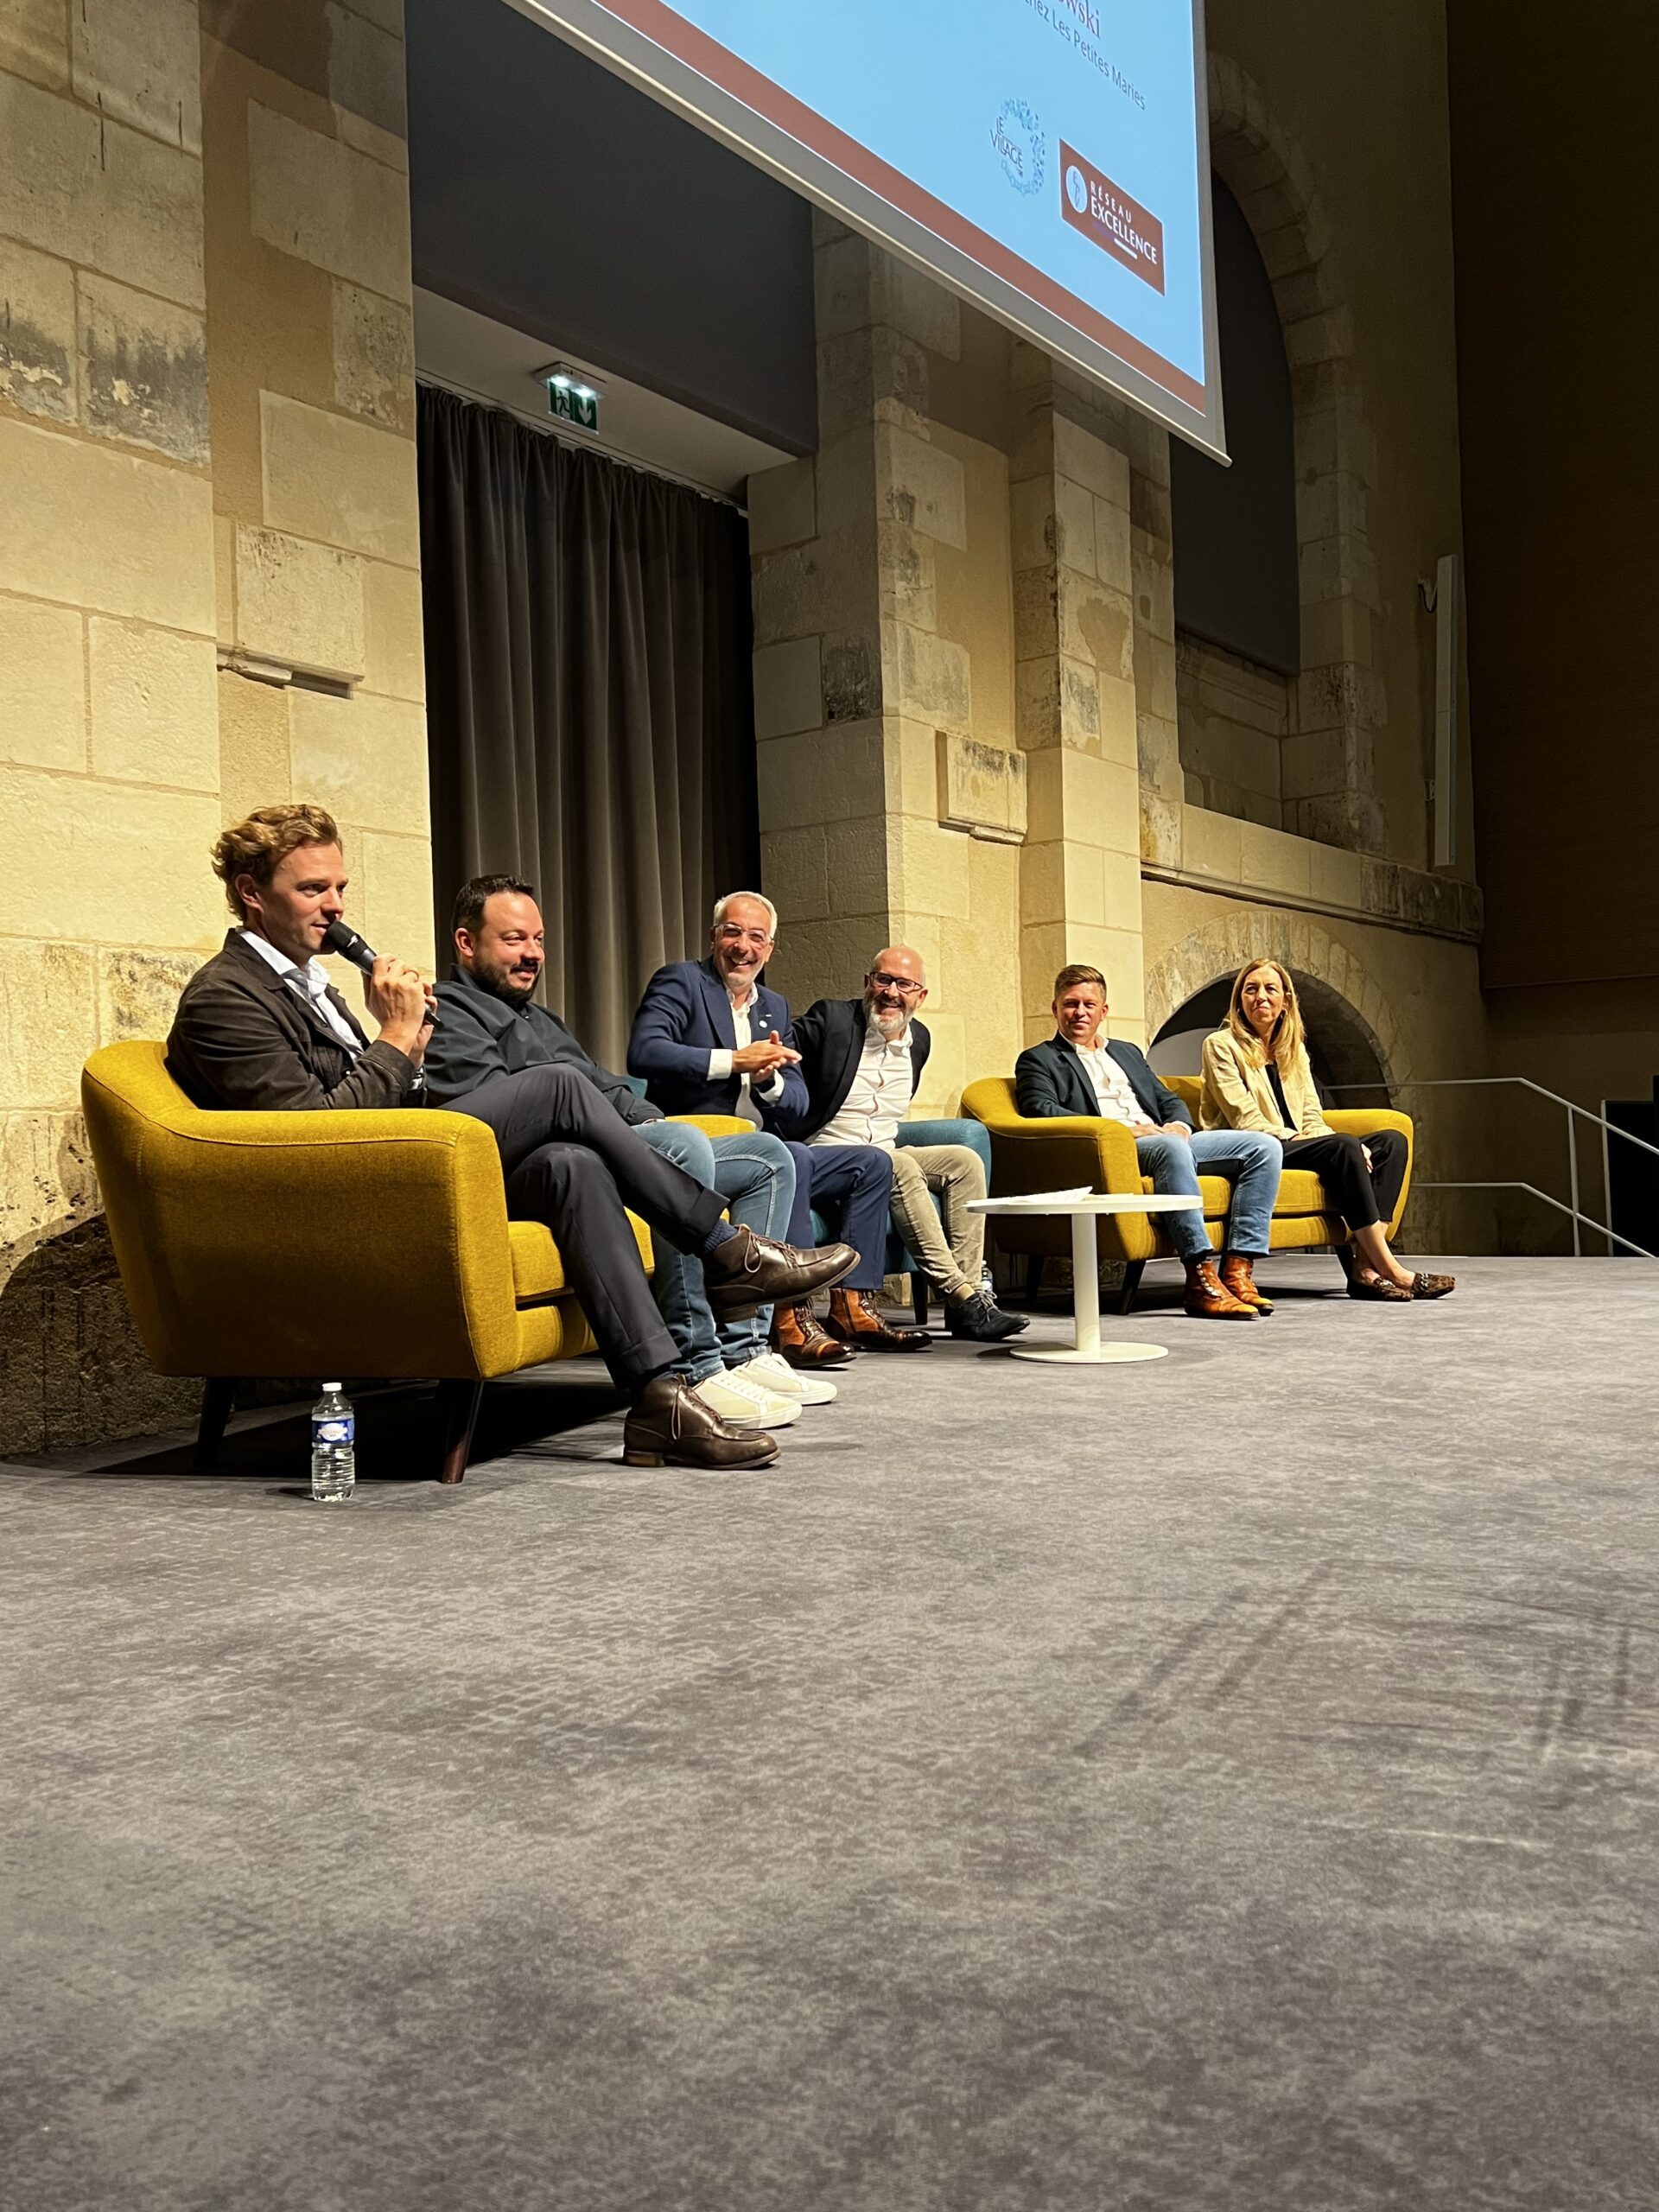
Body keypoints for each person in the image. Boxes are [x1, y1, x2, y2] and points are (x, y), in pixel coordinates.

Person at [165, 806, 856, 1472]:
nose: (336, 906)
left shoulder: (311, 985)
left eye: (340, 887)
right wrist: (397, 1037)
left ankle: (658, 1400)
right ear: (251, 893)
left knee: (571, 1164)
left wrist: (408, 1051)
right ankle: (729, 1251)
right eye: (313, 889)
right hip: (356, 1191)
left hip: (405, 1162)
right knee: (557, 1086)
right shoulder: (226, 996)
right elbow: (315, 1140)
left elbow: (380, 1098)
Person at [422, 873, 835, 1428]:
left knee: (768, 1157)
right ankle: (697, 1360)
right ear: (466, 943)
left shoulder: (541, 1019)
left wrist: (647, 1120)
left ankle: (745, 1349)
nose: (533, 954)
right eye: (514, 939)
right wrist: (650, 1131)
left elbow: (608, 1085)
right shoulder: (449, 1010)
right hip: (536, 1163)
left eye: (538, 940)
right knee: (682, 1145)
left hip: (608, 1145)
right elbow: (507, 1113)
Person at [629, 892, 912, 1362]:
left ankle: (853, 1304)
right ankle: (790, 1314)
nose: (743, 946)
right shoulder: (682, 982)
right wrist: (734, 1061)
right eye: (733, 933)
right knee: (791, 1155)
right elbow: (645, 1051)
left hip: (767, 1144)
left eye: (756, 937)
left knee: (872, 1163)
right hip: (702, 1147)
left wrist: (768, 1081)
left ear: (770, 948)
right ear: (714, 937)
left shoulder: (775, 1007)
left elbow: (797, 1103)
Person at [1014, 963, 1282, 1319]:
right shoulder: (1039, 1059)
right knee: (1170, 1148)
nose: (1080, 1012)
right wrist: (1123, 1131)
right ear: (1055, 1009)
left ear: (1103, 1011)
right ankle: (1199, 1276)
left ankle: (1238, 1270)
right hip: (1116, 1148)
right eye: (1070, 1004)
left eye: (1089, 1005)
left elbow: (1166, 1097)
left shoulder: (1126, 1052)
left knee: (1263, 1146)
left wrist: (1180, 1126)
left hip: (1163, 1138)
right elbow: (1042, 1111)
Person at [787, 947, 1026, 1343]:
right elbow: (782, 1050)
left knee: (965, 1161)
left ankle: (969, 1301)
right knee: (898, 1165)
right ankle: (959, 1293)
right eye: (883, 980)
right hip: (827, 1153)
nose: (891, 992)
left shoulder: (920, 1041)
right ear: (868, 983)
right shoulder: (833, 1020)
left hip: (884, 1148)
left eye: (904, 984)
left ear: (921, 995)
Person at [1200, 959, 1454, 1302]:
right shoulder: (1220, 1045)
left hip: (1298, 1145)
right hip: (1253, 1148)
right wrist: (1316, 1140)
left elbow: (1312, 1115)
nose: (1260, 996)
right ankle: (1392, 1269)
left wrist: (1326, 1138)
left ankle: (1364, 1268)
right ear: (1239, 1001)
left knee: (1391, 1142)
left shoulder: (1294, 1051)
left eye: (1270, 989)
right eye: (1251, 989)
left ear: (1285, 1001)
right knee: (1343, 1147)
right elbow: (1245, 1119)